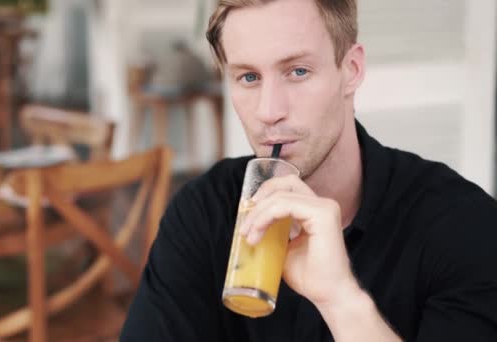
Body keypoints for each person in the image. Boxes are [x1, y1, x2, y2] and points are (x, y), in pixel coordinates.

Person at [120, 0, 497, 341]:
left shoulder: (464, 224)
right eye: (248, 77)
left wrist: (340, 299)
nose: (269, 111)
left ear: (351, 70)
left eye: (297, 71)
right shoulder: (202, 212)